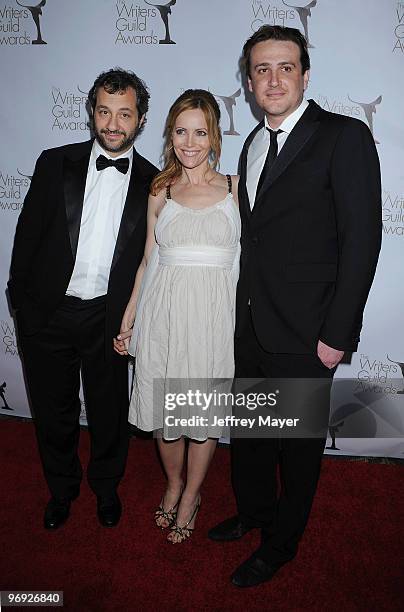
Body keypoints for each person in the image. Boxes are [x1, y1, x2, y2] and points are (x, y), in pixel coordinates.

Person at [208, 25, 382, 587]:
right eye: (262, 69)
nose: (273, 78)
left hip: (310, 331)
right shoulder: (251, 142)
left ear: (305, 75)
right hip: (253, 323)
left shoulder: (344, 136)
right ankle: (255, 513)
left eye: (285, 67)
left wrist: (338, 332)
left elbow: (362, 239)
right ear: (249, 80)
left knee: (298, 449)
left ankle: (281, 544)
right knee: (255, 435)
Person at [8, 68, 158, 530]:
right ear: (92, 113)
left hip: (108, 320)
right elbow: (27, 236)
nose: (113, 124)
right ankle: (62, 489)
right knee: (54, 412)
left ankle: (106, 488)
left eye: (125, 114)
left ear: (141, 119)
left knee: (110, 414)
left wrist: (131, 320)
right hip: (49, 313)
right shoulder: (55, 163)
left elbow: (150, 261)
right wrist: (22, 305)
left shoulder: (156, 183)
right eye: (105, 112)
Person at [114, 89, 240, 543]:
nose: (190, 142)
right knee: (168, 414)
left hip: (212, 318)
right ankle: (173, 485)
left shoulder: (235, 188)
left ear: (214, 136)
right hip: (163, 311)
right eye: (181, 131)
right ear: (170, 135)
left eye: (200, 132)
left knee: (201, 415)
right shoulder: (160, 190)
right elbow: (148, 260)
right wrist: (130, 318)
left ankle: (193, 496)